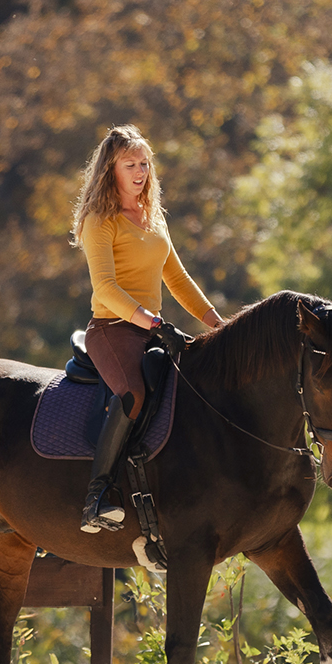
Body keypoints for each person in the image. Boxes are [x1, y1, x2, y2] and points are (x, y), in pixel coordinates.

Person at [71, 124, 222, 533]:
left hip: (150, 330)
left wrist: (218, 324)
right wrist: (153, 322)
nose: (140, 172)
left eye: (144, 163)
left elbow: (178, 280)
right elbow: (106, 287)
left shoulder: (155, 218)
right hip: (112, 328)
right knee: (132, 393)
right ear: (110, 170)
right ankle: (96, 497)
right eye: (130, 164)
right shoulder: (99, 221)